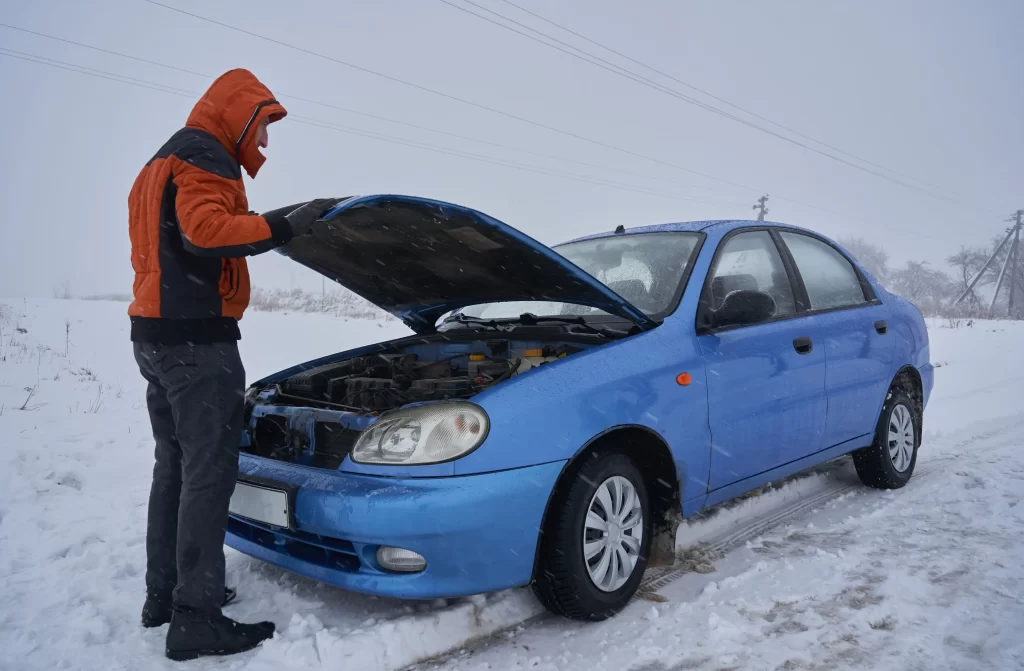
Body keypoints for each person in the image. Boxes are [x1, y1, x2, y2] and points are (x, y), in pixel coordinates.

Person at [126, 68, 338, 661]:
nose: (265, 143)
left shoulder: (162, 158)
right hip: (197, 342)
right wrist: (280, 227)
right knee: (208, 472)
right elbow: (203, 231)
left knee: (174, 466)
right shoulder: (207, 152)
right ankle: (196, 616)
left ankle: (164, 596)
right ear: (241, 115)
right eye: (264, 127)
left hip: (155, 336)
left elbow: (175, 234)